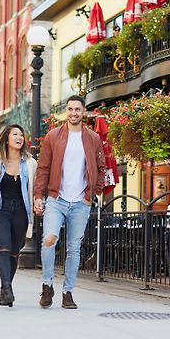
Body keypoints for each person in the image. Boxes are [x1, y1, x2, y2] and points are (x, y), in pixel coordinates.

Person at [34, 95, 106, 309]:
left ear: (84, 112)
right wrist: (39, 195)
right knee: (49, 240)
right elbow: (43, 168)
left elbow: (101, 168)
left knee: (74, 248)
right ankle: (47, 285)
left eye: (77, 109)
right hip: (56, 199)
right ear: (66, 111)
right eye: (70, 109)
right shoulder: (53, 136)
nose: (73, 113)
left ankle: (68, 292)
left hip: (80, 202)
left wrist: (93, 192)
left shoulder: (93, 138)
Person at [0, 124, 37, 307]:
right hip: (1, 210)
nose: (19, 137)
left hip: (21, 211)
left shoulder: (30, 163)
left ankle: (5, 290)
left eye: (21, 135)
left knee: (13, 252)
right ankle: (7, 288)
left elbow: (35, 187)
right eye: (15, 134)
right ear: (6, 138)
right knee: (3, 249)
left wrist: (38, 201)